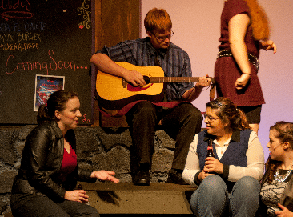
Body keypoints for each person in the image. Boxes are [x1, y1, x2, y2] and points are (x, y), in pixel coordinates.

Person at [4, 90, 119, 217]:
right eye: (73, 110)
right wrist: (65, 194)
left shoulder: (69, 136)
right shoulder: (42, 133)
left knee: (89, 215)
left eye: (79, 109)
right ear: (58, 114)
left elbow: (66, 171)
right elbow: (36, 174)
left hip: (48, 196)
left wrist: (93, 174)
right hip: (28, 196)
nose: (80, 114)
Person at [90, 8, 211, 186]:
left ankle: (177, 170)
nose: (167, 40)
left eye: (169, 35)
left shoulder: (181, 55)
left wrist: (198, 88)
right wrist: (125, 73)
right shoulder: (133, 48)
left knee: (192, 114)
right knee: (145, 108)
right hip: (143, 109)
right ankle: (143, 169)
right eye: (161, 37)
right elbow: (97, 58)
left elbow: (185, 95)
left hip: (170, 108)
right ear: (149, 34)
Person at [182, 97, 264, 217]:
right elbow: (186, 172)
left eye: (211, 118)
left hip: (237, 201)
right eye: (206, 116)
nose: (206, 121)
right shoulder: (200, 138)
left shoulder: (248, 138)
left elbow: (257, 172)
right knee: (213, 182)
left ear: (226, 122)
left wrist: (224, 169)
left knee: (249, 183)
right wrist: (199, 176)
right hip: (207, 200)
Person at [214, 0, 276, 134]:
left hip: (234, 66)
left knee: (245, 125)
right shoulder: (238, 4)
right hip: (236, 68)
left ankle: (241, 153)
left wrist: (258, 45)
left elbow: (238, 36)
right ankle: (241, 154)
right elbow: (235, 40)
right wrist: (246, 72)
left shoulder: (239, 4)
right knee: (246, 126)